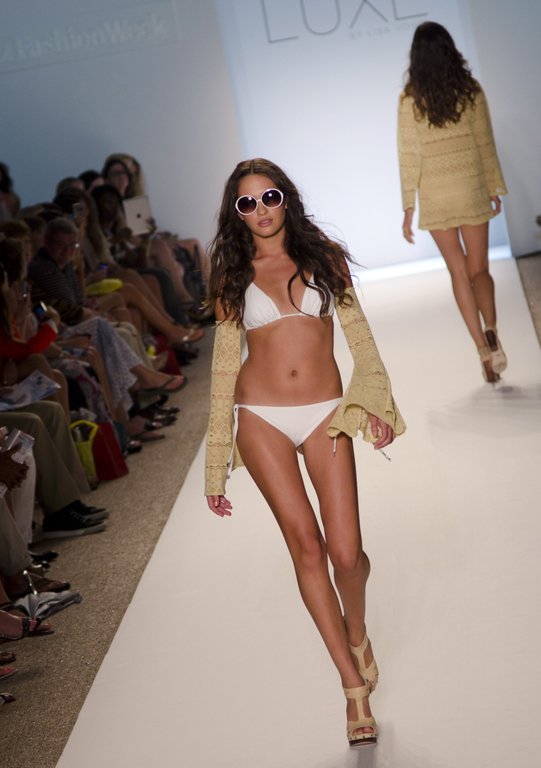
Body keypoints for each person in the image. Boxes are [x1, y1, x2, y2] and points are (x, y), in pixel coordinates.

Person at [204, 158, 405, 747]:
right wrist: (216, 463)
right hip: (259, 417)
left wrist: (375, 401)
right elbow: (223, 368)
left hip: (325, 411)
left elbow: (359, 336)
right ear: (237, 213)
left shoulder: (324, 257)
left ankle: (357, 631)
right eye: (247, 203)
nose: (261, 210)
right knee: (307, 548)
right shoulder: (231, 274)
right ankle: (352, 687)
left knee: (347, 553)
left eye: (269, 197)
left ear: (285, 198)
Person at [397, 21, 508, 383]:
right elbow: (484, 141)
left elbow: (408, 156)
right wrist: (493, 186)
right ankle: (491, 329)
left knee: (458, 272)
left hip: (436, 193)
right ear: (449, 49)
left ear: (416, 56)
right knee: (479, 269)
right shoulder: (470, 90)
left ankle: (482, 350)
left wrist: (408, 207)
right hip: (470, 185)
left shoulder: (410, 99)